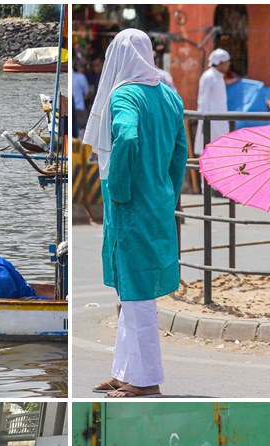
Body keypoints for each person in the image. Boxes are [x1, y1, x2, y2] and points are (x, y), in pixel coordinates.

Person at [83, 29, 188, 399]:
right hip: (157, 203)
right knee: (132, 293)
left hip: (130, 207)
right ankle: (124, 370)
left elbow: (125, 138)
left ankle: (146, 380)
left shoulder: (125, 94)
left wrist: (120, 189)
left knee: (138, 294)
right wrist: (166, 192)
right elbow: (180, 153)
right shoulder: (170, 96)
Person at [194, 48, 234, 155]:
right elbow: (202, 101)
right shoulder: (208, 77)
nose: (228, 65)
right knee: (210, 152)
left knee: (222, 152)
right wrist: (202, 121)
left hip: (220, 121)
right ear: (220, 63)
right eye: (226, 63)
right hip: (210, 122)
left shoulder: (219, 77)